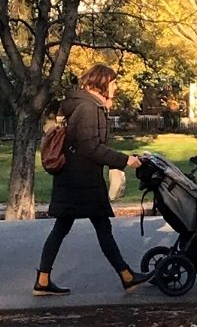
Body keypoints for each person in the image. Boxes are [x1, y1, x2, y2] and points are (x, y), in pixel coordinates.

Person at [34, 64, 154, 296]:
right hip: (82, 181)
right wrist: (124, 160)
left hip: (74, 179)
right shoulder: (88, 108)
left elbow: (89, 145)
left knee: (65, 227)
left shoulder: (86, 105)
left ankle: (43, 280)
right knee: (101, 228)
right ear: (102, 83)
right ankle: (126, 277)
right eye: (113, 82)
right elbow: (91, 147)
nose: (116, 86)